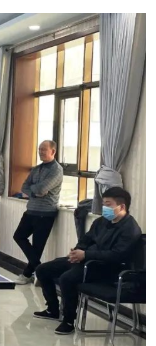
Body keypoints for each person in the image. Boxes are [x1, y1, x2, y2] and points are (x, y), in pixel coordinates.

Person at [34, 187, 142, 335]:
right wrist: (76, 252)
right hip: (87, 260)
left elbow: (117, 255)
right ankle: (52, 309)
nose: (104, 209)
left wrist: (86, 255)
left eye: (108, 205)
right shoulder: (101, 222)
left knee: (67, 279)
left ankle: (68, 321)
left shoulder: (130, 229)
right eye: (103, 204)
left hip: (107, 268)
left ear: (122, 207)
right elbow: (86, 240)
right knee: (42, 270)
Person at [12, 140, 64, 285]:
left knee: (37, 246)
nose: (40, 152)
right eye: (39, 149)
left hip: (45, 213)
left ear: (53, 151)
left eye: (44, 149)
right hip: (31, 210)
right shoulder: (36, 168)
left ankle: (27, 274)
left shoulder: (56, 170)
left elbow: (42, 188)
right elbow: (24, 187)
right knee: (19, 236)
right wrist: (35, 192)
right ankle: (41, 270)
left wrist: (34, 190)